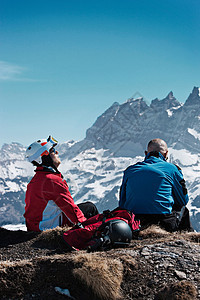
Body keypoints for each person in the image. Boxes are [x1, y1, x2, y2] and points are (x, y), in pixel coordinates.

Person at [24, 136, 98, 232]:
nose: (57, 153)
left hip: (35, 226)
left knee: (86, 207)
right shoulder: (52, 180)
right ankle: (98, 234)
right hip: (46, 227)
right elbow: (70, 209)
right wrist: (85, 227)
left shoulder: (38, 178)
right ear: (45, 156)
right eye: (53, 150)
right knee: (90, 208)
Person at [119, 138, 193, 232]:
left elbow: (122, 202)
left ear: (146, 153)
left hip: (134, 222)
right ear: (166, 154)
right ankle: (187, 240)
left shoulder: (130, 170)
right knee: (183, 209)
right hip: (163, 222)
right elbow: (183, 200)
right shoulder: (172, 169)